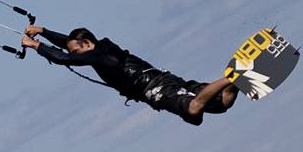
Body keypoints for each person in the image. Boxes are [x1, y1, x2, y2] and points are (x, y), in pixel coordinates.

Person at [21, 25, 238, 125]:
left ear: (87, 43)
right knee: (221, 105)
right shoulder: (103, 47)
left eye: (78, 50)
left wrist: (35, 45)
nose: (76, 56)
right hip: (164, 78)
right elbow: (69, 50)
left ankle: (232, 77)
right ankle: (233, 84)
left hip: (155, 88)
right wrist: (43, 31)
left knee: (193, 109)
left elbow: (64, 58)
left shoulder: (96, 55)